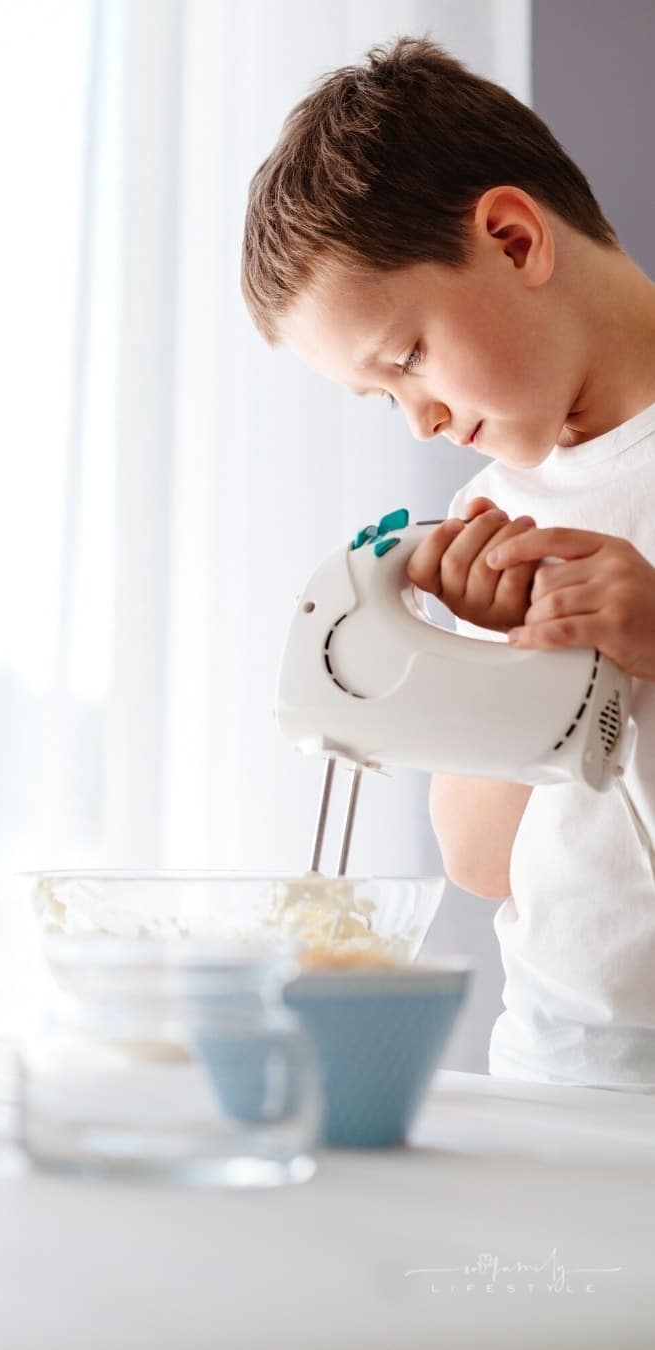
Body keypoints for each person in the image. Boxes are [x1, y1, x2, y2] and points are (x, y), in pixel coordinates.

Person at [240, 34, 655, 1089]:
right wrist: (500, 669)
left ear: (515, 240)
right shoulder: (489, 516)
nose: (419, 421)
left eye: (410, 357)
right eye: (383, 397)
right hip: (563, 1057)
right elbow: (477, 864)